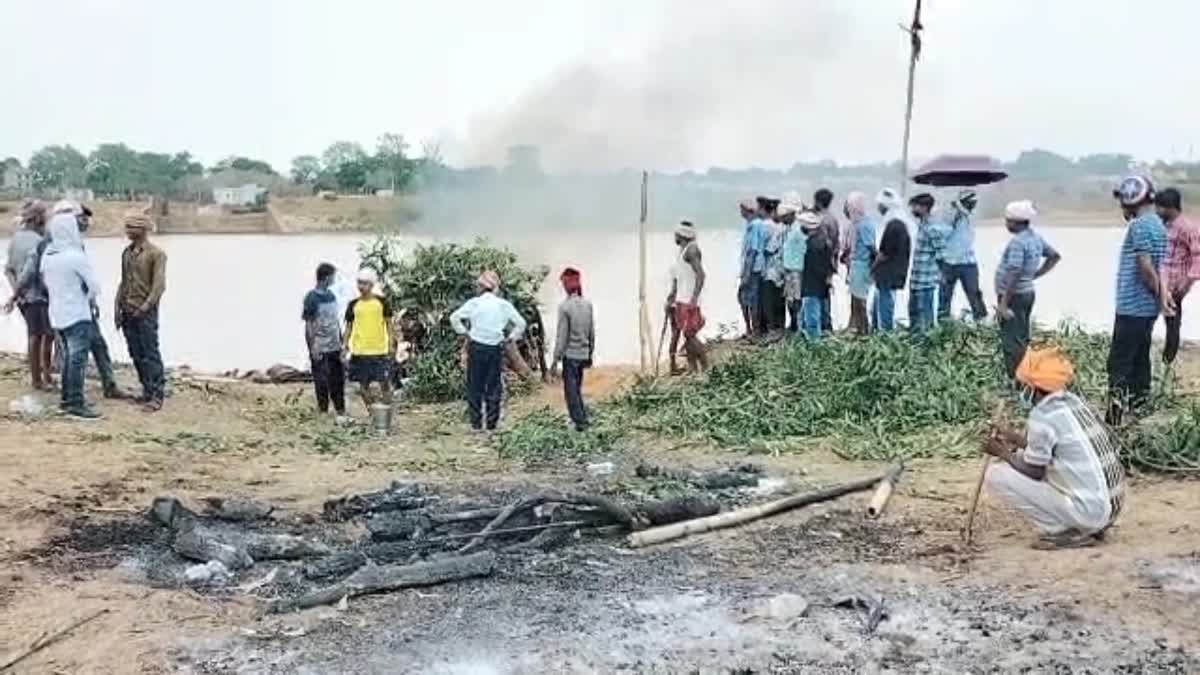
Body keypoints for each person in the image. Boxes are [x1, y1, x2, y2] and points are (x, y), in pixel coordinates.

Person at [983, 348, 1126, 549]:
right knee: (1024, 455)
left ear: (1034, 389)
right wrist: (1012, 437)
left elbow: (1034, 471)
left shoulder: (1043, 417)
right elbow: (1049, 451)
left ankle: (1064, 531)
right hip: (1108, 508)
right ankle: (1084, 524)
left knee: (996, 475)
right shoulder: (1075, 404)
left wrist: (1002, 453)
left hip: (1091, 512)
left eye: (1024, 386)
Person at [1107, 175, 1170, 424]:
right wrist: (1161, 297)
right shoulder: (1158, 224)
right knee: (1140, 357)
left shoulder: (1139, 226)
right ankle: (1140, 407)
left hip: (1132, 306)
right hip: (1147, 309)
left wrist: (1160, 293)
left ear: (1131, 200)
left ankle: (1114, 416)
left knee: (1119, 362)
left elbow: (1145, 266)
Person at [40, 210, 103, 419]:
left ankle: (67, 399)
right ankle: (75, 402)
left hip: (57, 314)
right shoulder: (76, 256)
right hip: (77, 313)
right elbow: (94, 287)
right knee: (77, 360)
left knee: (68, 358)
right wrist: (86, 296)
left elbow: (44, 283)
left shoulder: (48, 256)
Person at [450, 270, 527, 431]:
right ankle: (492, 423)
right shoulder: (503, 305)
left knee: (474, 385)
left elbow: (454, 318)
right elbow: (521, 323)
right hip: (495, 348)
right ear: (495, 287)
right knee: (493, 386)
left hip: (476, 347)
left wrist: (465, 332)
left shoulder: (474, 303)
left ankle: (476, 423)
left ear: (481, 287)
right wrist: (511, 337)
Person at [995, 200, 1061, 378]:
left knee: (1011, 340)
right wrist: (1035, 274)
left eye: (1008, 221)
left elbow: (1014, 272)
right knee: (1022, 336)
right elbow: (1054, 256)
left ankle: (1016, 379)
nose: (1006, 224)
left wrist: (1003, 304)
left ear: (1016, 222)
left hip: (1014, 296)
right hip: (1027, 293)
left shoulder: (1018, 242)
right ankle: (1026, 372)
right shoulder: (1035, 238)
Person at [115, 212, 168, 412]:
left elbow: (159, 286)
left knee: (150, 352)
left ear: (144, 230)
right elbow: (124, 282)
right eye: (127, 227)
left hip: (145, 312)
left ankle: (156, 395)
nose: (128, 231)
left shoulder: (156, 254)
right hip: (128, 309)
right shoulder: (126, 253)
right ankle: (146, 390)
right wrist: (117, 308)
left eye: (133, 227)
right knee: (135, 352)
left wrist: (145, 308)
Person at [4, 200, 53, 390]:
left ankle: (43, 376)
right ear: (39, 218)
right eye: (45, 216)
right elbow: (32, 272)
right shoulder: (38, 242)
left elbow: (8, 270)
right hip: (37, 296)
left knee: (37, 335)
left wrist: (16, 292)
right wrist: (18, 293)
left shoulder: (16, 239)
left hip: (23, 297)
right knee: (39, 336)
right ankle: (39, 379)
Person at [1154, 188, 1200, 365]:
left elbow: (1198, 259)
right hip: (1161, 283)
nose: (1156, 212)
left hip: (1175, 286)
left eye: (1159, 208)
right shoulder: (1165, 226)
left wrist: (1185, 285)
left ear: (1169, 207)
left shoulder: (1188, 228)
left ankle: (1168, 361)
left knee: (1172, 324)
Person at [550, 267, 595, 431]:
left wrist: (555, 360)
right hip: (583, 354)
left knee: (571, 392)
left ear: (566, 286)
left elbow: (562, 337)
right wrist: (590, 353)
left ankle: (580, 422)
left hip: (571, 355)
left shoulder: (565, 307)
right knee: (577, 388)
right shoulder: (587, 305)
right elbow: (591, 333)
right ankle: (581, 418)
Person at [343, 269, 395, 411]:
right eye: (359, 283)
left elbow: (390, 325)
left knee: (384, 382)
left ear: (371, 285)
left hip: (379, 350)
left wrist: (391, 344)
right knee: (362, 385)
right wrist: (345, 345)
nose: (361, 286)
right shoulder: (353, 304)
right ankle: (372, 412)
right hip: (359, 350)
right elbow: (349, 327)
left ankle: (386, 410)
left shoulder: (382, 302)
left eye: (364, 283)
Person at [303, 262, 347, 420]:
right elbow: (309, 324)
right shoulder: (311, 298)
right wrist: (312, 346)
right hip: (320, 345)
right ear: (327, 277)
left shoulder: (331, 295)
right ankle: (323, 410)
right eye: (333, 276)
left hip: (334, 344)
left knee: (338, 379)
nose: (334, 279)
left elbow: (335, 322)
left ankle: (340, 409)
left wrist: (342, 343)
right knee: (321, 380)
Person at [938, 189, 988, 322]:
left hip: (968, 262)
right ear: (964, 202)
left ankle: (981, 321)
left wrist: (958, 206)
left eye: (974, 203)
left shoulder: (971, 214)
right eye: (971, 202)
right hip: (949, 262)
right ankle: (943, 322)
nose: (973, 205)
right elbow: (943, 231)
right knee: (944, 296)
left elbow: (967, 214)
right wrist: (955, 210)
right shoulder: (950, 213)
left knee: (974, 294)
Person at [665, 221, 708, 373]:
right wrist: (672, 296)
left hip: (688, 300)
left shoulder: (692, 250)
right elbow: (678, 278)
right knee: (686, 335)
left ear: (682, 235)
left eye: (676, 234)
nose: (674, 237)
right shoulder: (682, 251)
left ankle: (706, 366)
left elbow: (701, 275)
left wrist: (694, 298)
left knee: (689, 334)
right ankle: (692, 367)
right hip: (681, 299)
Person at [906, 193, 946, 332]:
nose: (912, 210)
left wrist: (940, 276)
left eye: (915, 207)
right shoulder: (922, 225)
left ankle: (927, 347)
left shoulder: (933, 228)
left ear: (924, 207)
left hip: (926, 282)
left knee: (925, 319)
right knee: (914, 317)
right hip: (916, 280)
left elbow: (941, 254)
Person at [871, 208, 910, 332]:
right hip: (897, 272)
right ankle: (879, 329)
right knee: (881, 303)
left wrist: (873, 267)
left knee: (885, 306)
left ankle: (885, 332)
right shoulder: (904, 229)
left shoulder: (893, 226)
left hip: (886, 274)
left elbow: (884, 253)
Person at [843, 192, 877, 336]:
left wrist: (875, 268)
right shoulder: (856, 224)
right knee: (855, 299)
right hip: (856, 265)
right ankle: (855, 326)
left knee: (860, 300)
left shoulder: (864, 225)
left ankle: (864, 331)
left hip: (862, 265)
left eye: (848, 207)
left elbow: (871, 248)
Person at [798, 211, 833, 340]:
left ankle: (814, 345)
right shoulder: (824, 240)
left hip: (811, 285)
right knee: (814, 314)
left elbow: (812, 267)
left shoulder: (812, 244)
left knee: (811, 318)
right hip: (820, 284)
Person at [737, 199, 765, 337]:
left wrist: (746, 273)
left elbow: (753, 251)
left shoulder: (755, 226)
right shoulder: (752, 225)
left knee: (749, 299)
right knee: (747, 298)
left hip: (753, 269)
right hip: (752, 267)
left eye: (742, 209)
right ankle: (751, 329)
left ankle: (754, 330)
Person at [813, 188, 839, 331]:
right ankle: (827, 325)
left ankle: (824, 326)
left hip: (821, 262)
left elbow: (823, 244)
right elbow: (836, 243)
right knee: (825, 294)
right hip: (830, 262)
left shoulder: (820, 221)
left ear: (817, 202)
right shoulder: (833, 219)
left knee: (818, 294)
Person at [782, 205, 807, 332]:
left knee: (796, 298)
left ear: (791, 215)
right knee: (790, 298)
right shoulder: (790, 229)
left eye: (785, 216)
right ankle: (793, 323)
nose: (782, 218)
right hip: (789, 269)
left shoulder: (798, 229)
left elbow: (803, 249)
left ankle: (797, 325)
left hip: (797, 270)